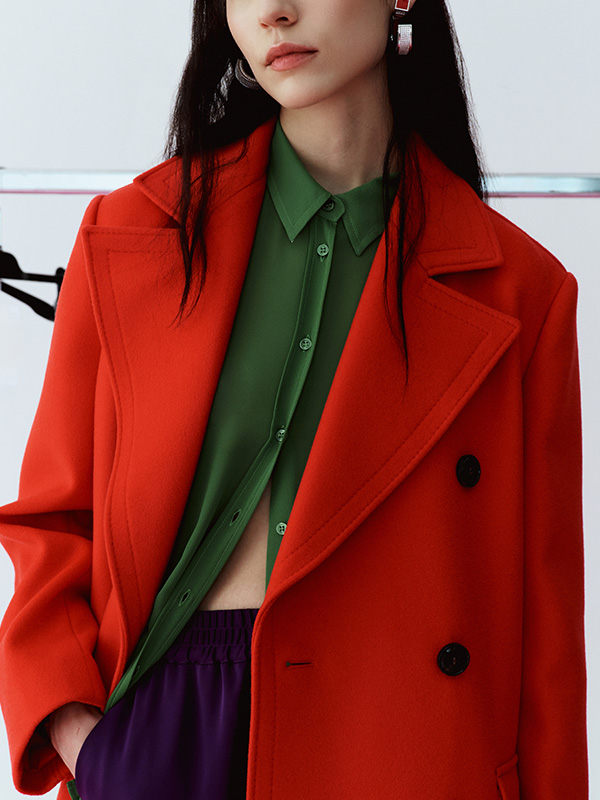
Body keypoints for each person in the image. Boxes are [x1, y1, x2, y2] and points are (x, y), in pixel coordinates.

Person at [0, 0, 588, 798]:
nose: (275, 13)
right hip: (164, 735)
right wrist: (84, 737)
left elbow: (546, 632)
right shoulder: (134, 234)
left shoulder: (521, 291)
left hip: (392, 745)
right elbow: (55, 520)